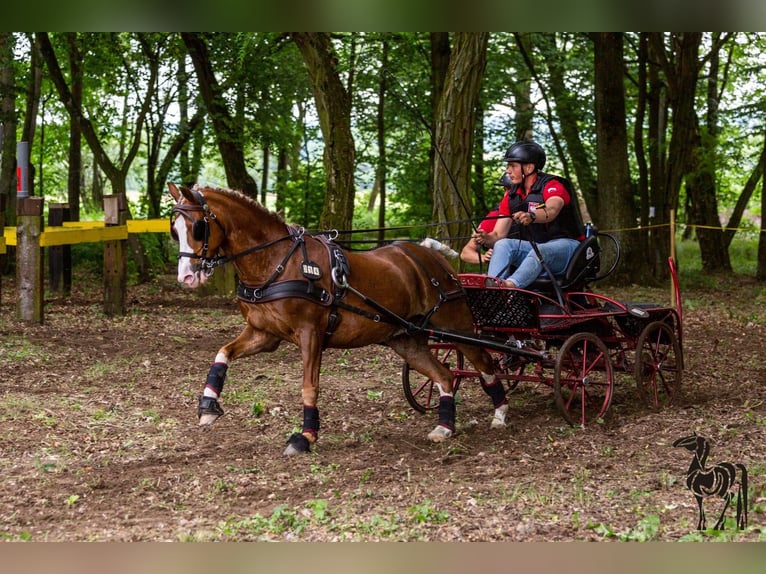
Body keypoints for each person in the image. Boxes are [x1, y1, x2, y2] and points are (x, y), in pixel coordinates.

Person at [473, 140, 584, 288]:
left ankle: (509, 286)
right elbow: (498, 235)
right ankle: (493, 285)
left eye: (512, 166)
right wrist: (486, 238)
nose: (508, 171)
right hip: (537, 248)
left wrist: (531, 215)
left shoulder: (552, 185)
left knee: (541, 250)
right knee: (503, 244)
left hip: (569, 250)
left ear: (529, 167)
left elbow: (552, 209)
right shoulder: (512, 196)